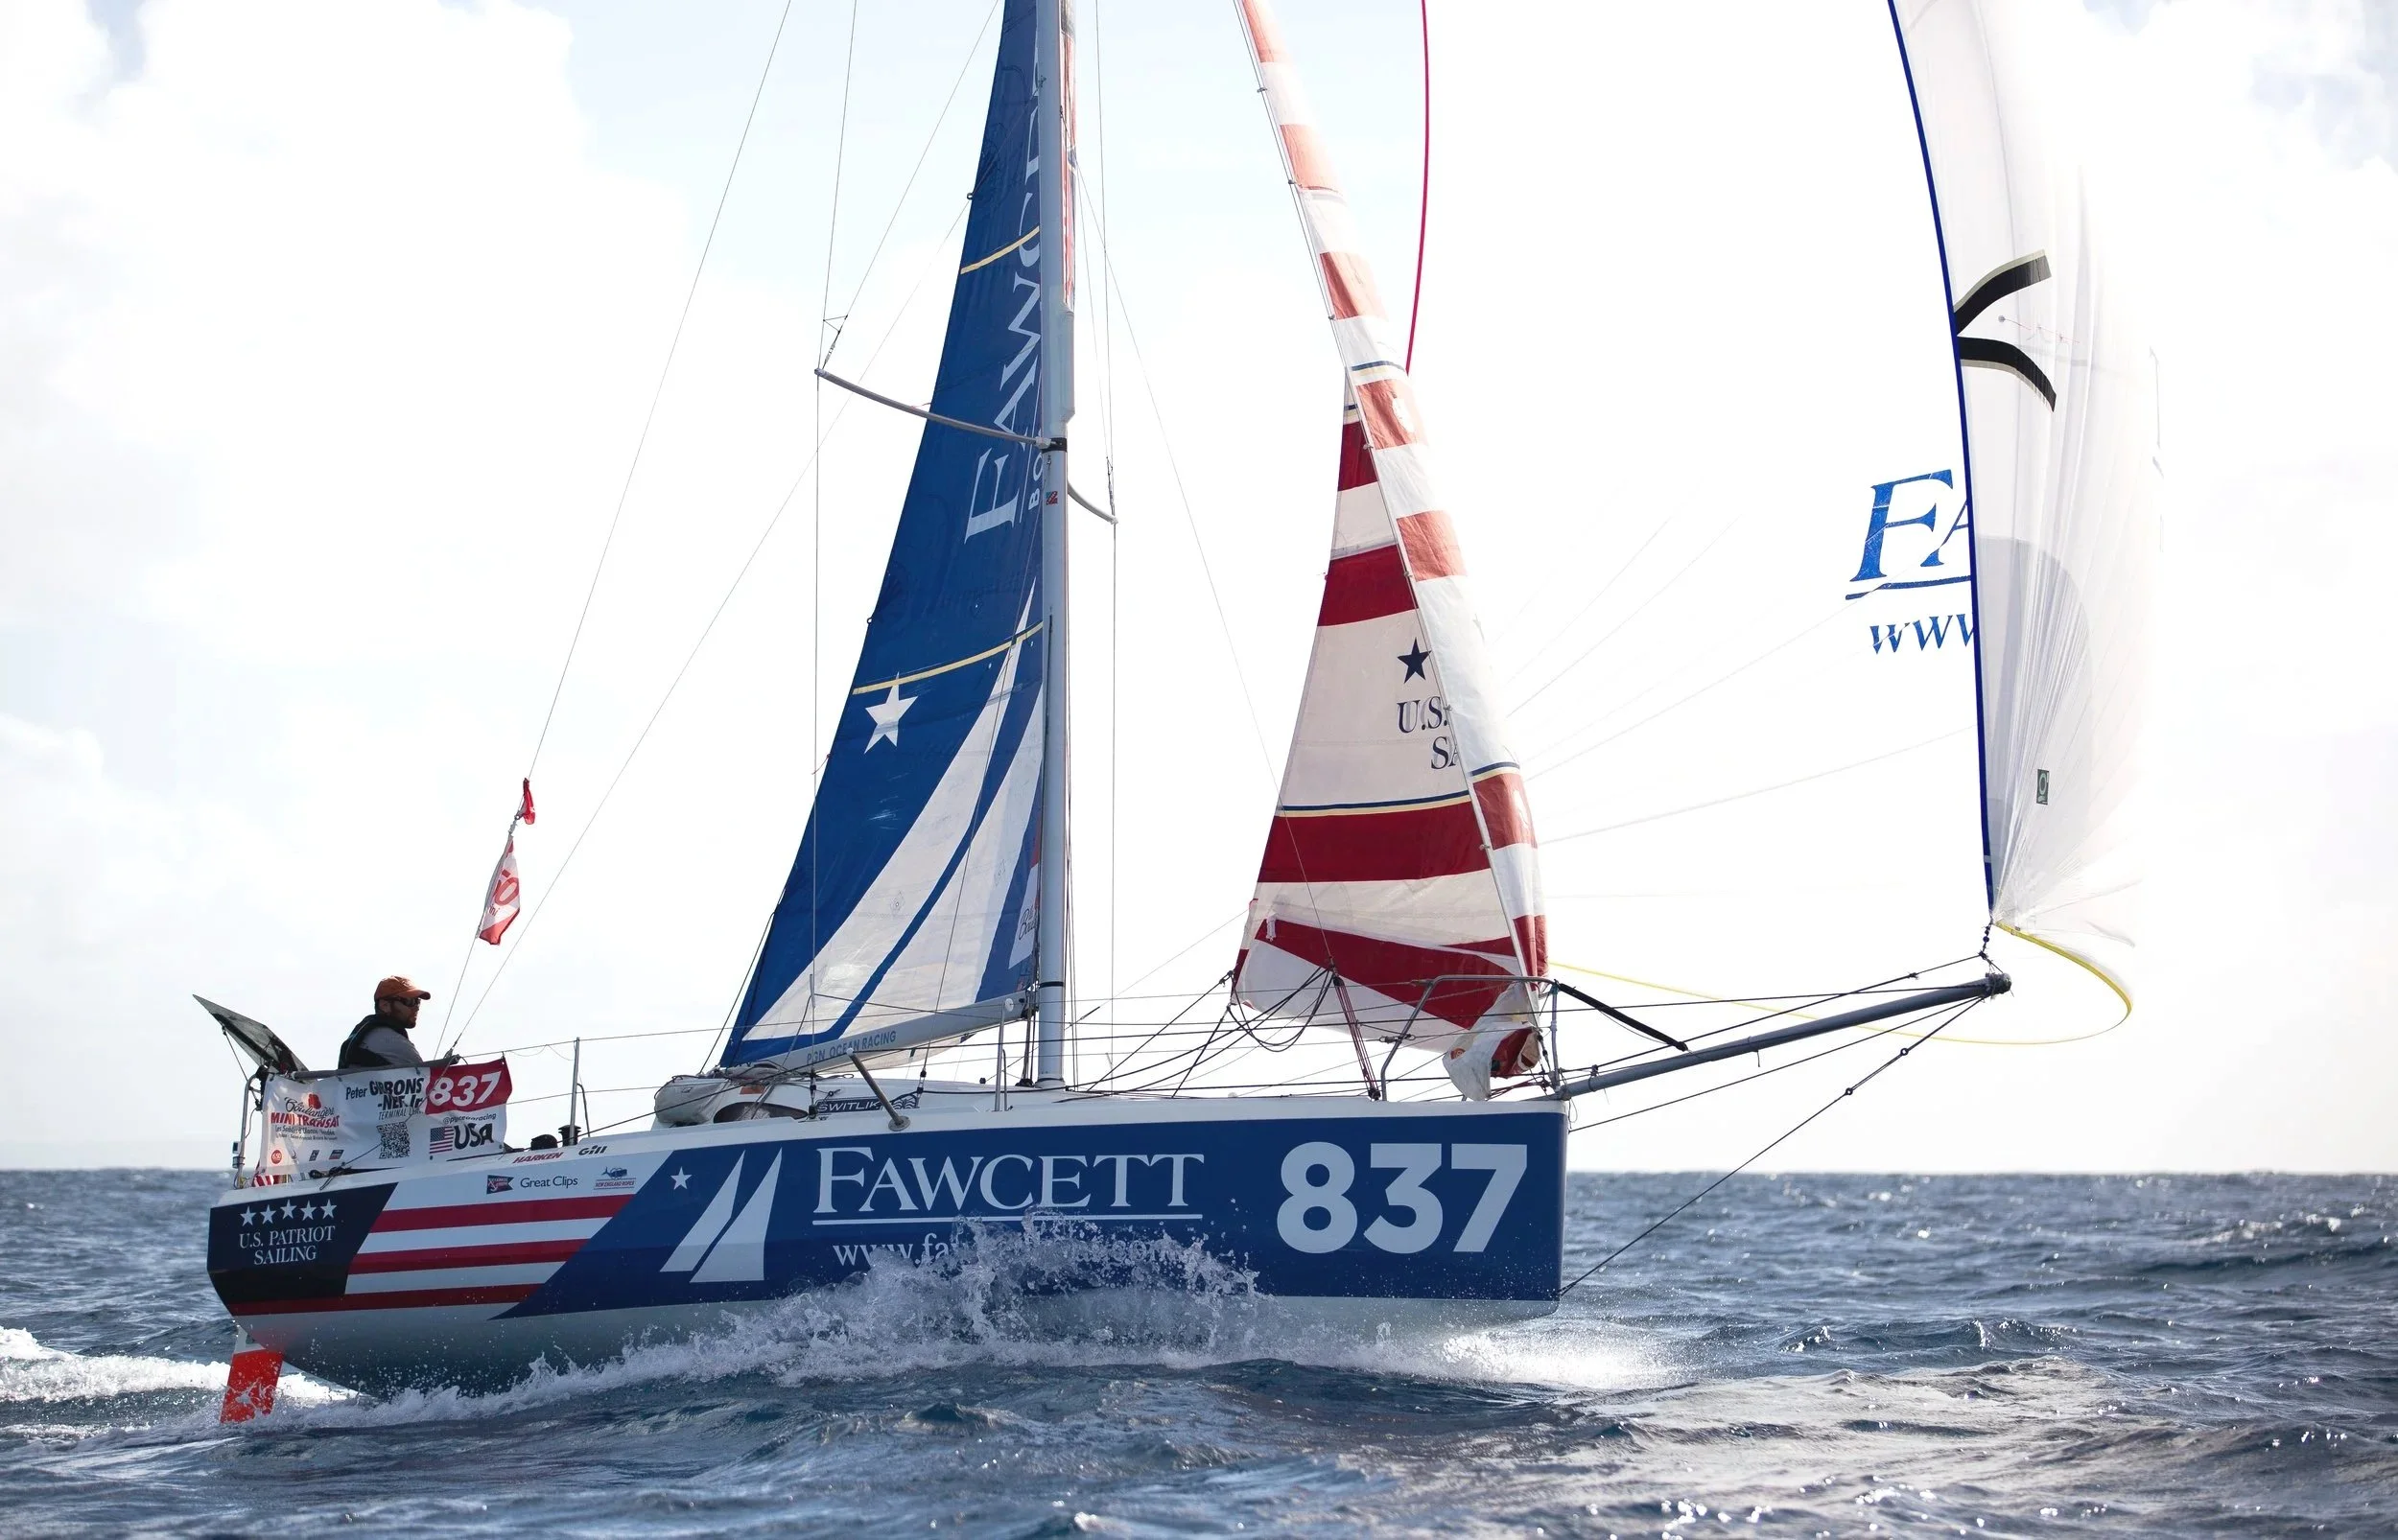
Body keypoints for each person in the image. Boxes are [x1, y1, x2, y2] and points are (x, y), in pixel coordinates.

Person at [339, 976, 432, 1069]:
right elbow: (425, 1074)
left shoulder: (366, 1033)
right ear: (385, 1005)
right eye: (409, 1001)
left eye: (418, 1001)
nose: (416, 1007)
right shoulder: (391, 1040)